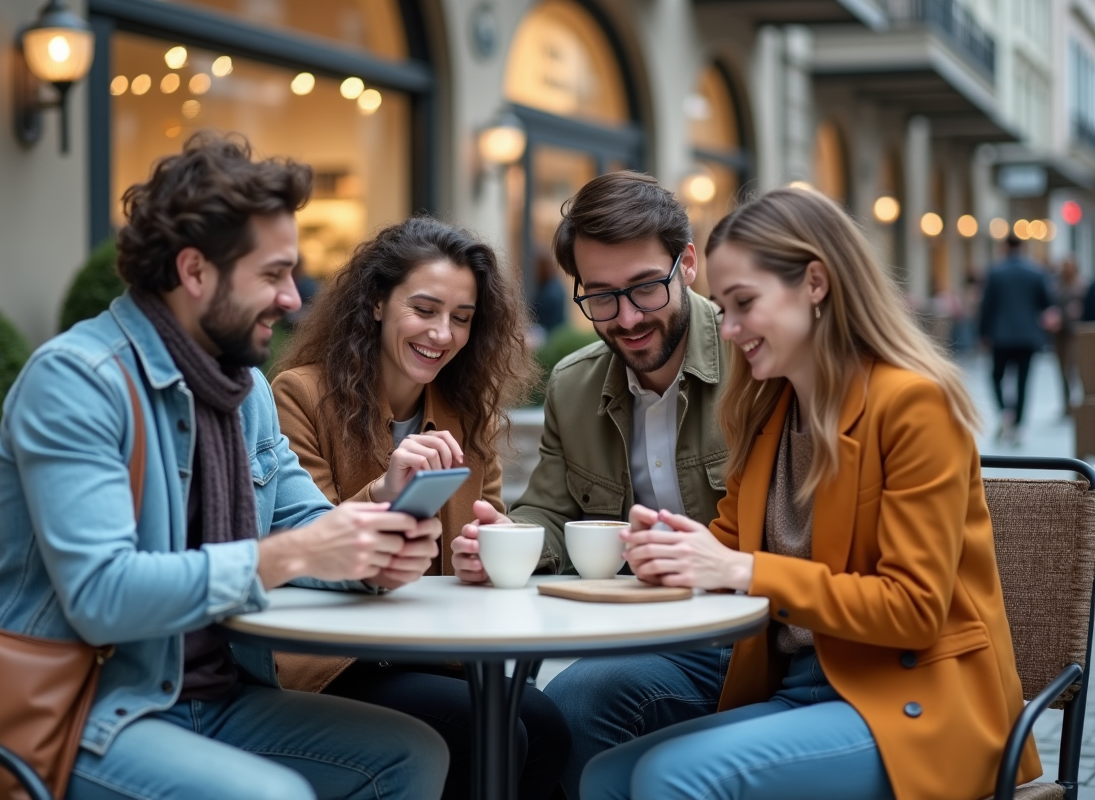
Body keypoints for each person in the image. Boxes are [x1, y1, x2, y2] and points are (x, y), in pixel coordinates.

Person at [0, 133, 450, 800]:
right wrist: (292, 554)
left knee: (410, 753)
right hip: (77, 712)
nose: (294, 297)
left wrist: (373, 546)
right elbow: (101, 597)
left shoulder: (242, 388)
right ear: (195, 271)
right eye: (273, 274)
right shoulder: (77, 382)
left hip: (218, 696)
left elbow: (303, 525)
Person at [581, 187, 1040, 800]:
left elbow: (913, 609)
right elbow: (729, 544)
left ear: (816, 284)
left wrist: (742, 569)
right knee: (605, 776)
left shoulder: (912, 405)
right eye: (723, 307)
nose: (730, 328)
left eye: (744, 304)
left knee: (673, 776)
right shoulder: (769, 409)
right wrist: (666, 548)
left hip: (915, 703)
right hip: (803, 687)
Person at [450, 171, 733, 799]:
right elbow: (547, 510)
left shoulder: (757, 364)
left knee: (577, 700)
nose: (626, 318)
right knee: (530, 713)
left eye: (644, 289)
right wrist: (504, 538)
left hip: (754, 634)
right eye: (600, 296)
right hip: (646, 638)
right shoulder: (575, 384)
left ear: (687, 264)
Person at [267, 216, 564, 800]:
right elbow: (302, 543)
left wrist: (488, 552)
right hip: (337, 660)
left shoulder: (467, 412)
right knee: (491, 730)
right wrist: (383, 491)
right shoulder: (300, 395)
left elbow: (488, 525)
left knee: (548, 725)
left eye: (461, 317)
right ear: (377, 302)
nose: (443, 334)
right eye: (424, 310)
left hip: (434, 651)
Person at [979, 234, 1055, 442]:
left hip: (1000, 336)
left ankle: (1005, 412)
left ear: (1005, 247)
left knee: (996, 377)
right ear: (1023, 247)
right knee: (1023, 382)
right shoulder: (1036, 271)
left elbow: (986, 307)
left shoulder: (995, 272)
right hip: (1027, 336)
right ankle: (1018, 425)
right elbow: (1047, 304)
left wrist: (983, 334)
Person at [1052, 256, 1086, 413]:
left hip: (1076, 332)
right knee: (1062, 369)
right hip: (1059, 333)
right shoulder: (1056, 286)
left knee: (1074, 367)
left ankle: (1081, 400)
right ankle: (1067, 403)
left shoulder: (1082, 285)